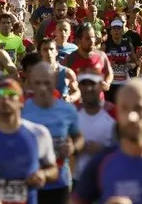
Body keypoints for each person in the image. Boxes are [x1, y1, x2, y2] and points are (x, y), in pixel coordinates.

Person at [0, 78, 58, 204]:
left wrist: (44, 174)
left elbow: (53, 170)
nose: (5, 98)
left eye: (11, 94)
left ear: (21, 101)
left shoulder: (38, 134)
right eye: (0, 94)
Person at [22, 63, 83, 202]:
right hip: (30, 182)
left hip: (59, 182)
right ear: (31, 83)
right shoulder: (22, 110)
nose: (42, 87)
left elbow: (79, 137)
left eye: (47, 82)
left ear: (54, 81)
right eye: (38, 83)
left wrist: (73, 147)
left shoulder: (67, 110)